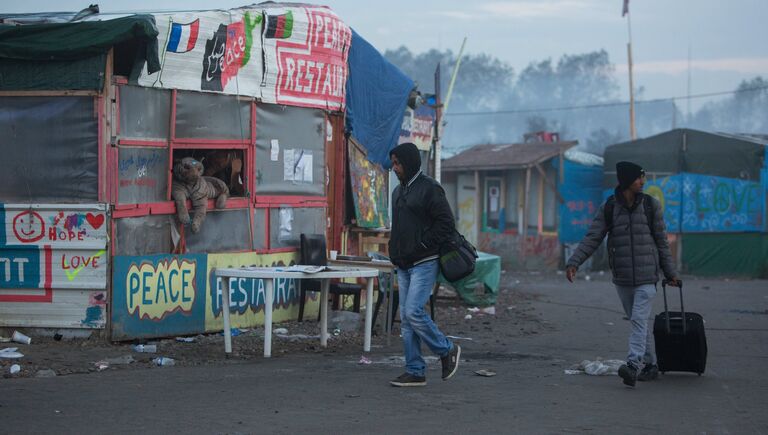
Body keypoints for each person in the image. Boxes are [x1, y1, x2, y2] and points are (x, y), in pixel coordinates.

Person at [565, 161, 680, 387]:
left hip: (648, 276)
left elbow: (662, 242)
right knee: (639, 322)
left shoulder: (650, 205)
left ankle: (632, 365)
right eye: (639, 178)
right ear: (627, 180)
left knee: (638, 318)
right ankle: (650, 364)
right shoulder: (609, 207)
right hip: (623, 278)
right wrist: (574, 262)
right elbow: (592, 237)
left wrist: (670, 272)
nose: (643, 181)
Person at [387, 142, 460, 387]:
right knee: (407, 320)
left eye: (398, 163)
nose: (394, 168)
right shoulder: (398, 192)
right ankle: (415, 370)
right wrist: (394, 252)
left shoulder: (430, 189)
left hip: (424, 262)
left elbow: (446, 224)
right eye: (393, 163)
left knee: (413, 312)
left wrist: (421, 246)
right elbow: (398, 229)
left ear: (410, 163)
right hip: (404, 264)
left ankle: (446, 348)